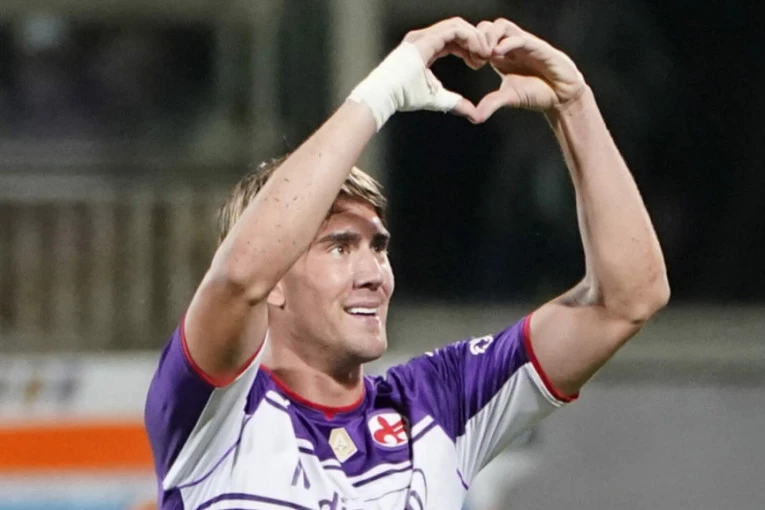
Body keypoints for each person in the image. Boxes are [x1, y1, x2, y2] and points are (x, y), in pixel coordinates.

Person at [144, 17, 669, 510]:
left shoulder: (441, 402)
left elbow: (626, 300)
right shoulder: (214, 412)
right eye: (340, 247)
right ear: (275, 283)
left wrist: (574, 104)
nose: (373, 274)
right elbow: (240, 277)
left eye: (378, 247)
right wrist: (382, 93)